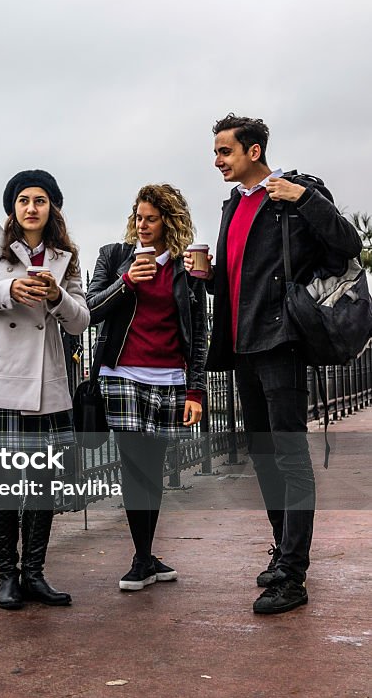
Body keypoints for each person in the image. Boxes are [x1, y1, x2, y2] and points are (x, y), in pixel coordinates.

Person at [199, 113, 361, 614]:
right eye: (215, 152)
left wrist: (307, 200)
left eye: (225, 151)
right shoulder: (234, 206)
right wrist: (207, 276)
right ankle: (282, 552)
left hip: (282, 342)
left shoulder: (294, 193)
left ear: (253, 151)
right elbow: (238, 282)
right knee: (264, 458)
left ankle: (294, 575)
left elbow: (348, 245)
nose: (218, 161)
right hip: (243, 347)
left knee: (291, 459)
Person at [0, 170, 90, 611]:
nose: (32, 207)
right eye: (24, 199)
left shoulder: (65, 253)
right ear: (12, 205)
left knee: (43, 485)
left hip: (47, 385)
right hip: (2, 383)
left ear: (53, 207)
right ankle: (7, 576)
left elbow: (81, 320)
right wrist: (8, 289)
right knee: (3, 485)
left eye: (41, 200)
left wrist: (55, 297)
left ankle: (34, 573)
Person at [86, 184, 207, 592]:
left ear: (168, 222)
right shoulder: (115, 257)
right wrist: (127, 283)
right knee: (133, 467)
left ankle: (147, 553)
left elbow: (199, 333)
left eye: (151, 219)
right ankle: (141, 557)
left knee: (152, 469)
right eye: (138, 217)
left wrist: (196, 390)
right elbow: (89, 311)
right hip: (122, 376)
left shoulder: (186, 268)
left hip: (169, 379)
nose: (142, 225)